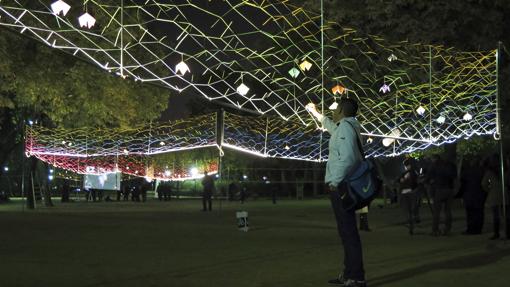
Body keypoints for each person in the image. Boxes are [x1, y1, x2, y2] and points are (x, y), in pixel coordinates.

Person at [306, 98, 366, 287]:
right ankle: (349, 273)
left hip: (342, 186)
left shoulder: (346, 129)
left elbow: (347, 158)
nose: (332, 111)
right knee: (346, 231)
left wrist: (334, 182)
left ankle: (356, 277)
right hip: (343, 185)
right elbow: (331, 127)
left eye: (335, 108)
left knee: (348, 232)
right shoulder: (346, 127)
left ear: (341, 110)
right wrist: (316, 113)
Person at [427, 154, 457, 236]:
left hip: (440, 189)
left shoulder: (435, 166)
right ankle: (447, 229)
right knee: (448, 211)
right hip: (450, 189)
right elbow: (455, 177)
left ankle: (435, 230)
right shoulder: (451, 166)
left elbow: (428, 177)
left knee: (437, 211)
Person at [482, 154, 510, 240]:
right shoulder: (506, 170)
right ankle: (508, 232)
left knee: (496, 215)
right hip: (504, 194)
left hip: (494, 194)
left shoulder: (490, 172)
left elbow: (484, 184)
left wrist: (489, 190)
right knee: (506, 214)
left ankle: (496, 233)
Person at [460, 157, 485, 235]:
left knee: (470, 213)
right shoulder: (482, 170)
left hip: (469, 194)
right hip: (479, 194)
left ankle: (471, 229)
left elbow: (462, 182)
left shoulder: (467, 171)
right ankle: (478, 229)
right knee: (479, 212)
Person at [398, 158, 418, 235]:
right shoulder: (414, 173)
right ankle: (411, 223)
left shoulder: (407, 173)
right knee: (411, 209)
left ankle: (410, 224)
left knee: (407, 209)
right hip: (412, 192)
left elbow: (401, 181)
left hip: (406, 192)